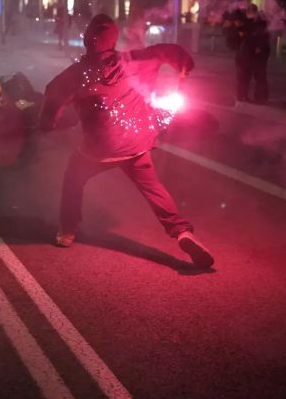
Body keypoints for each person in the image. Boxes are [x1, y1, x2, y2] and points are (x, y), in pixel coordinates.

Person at [39, 14, 214, 269]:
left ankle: (67, 231)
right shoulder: (135, 61)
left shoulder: (77, 73)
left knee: (73, 178)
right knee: (153, 188)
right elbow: (171, 51)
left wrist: (47, 124)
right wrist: (184, 68)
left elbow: (52, 95)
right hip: (135, 145)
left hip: (97, 149)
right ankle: (181, 232)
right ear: (113, 40)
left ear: (87, 40)